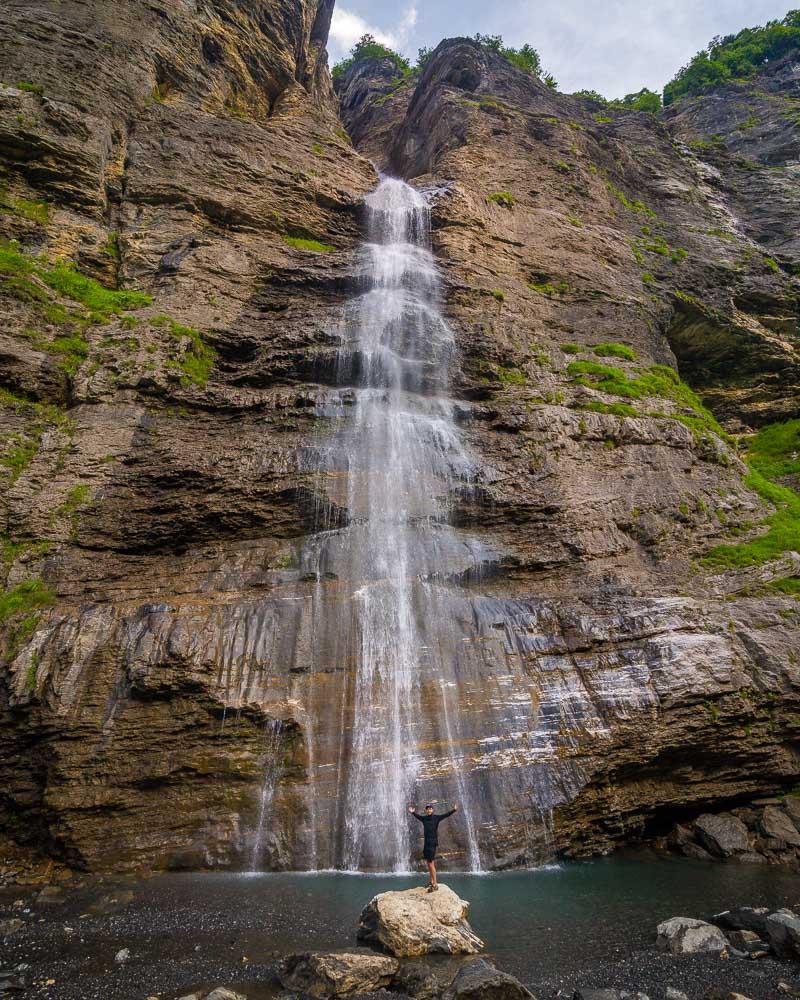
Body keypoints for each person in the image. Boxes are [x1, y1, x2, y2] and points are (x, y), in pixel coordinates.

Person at [408, 801, 458, 891]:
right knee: (429, 863)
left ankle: (435, 883)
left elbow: (446, 815)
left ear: (433, 810)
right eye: (428, 809)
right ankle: (431, 880)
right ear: (426, 810)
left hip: (433, 843)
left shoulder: (436, 818)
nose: (429, 810)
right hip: (426, 843)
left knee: (431, 864)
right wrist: (412, 813)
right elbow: (418, 817)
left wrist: (454, 810)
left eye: (430, 808)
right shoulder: (424, 819)